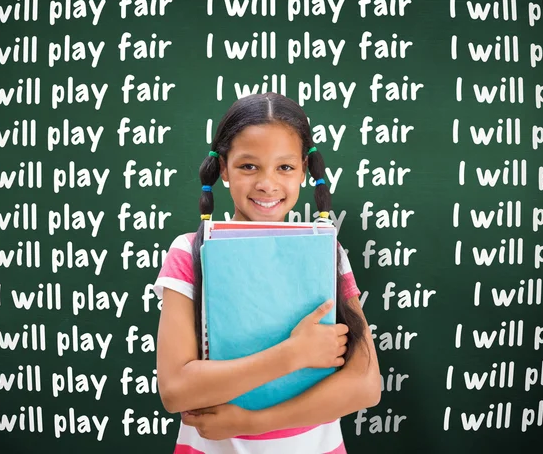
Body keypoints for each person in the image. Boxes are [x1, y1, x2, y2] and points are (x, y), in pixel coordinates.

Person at [153, 93, 381, 454]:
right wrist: (294, 353)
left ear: (304, 170)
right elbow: (176, 390)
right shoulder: (189, 252)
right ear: (223, 169)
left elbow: (366, 384)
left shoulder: (327, 252)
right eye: (248, 166)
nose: (267, 184)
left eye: (285, 168)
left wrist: (250, 421)